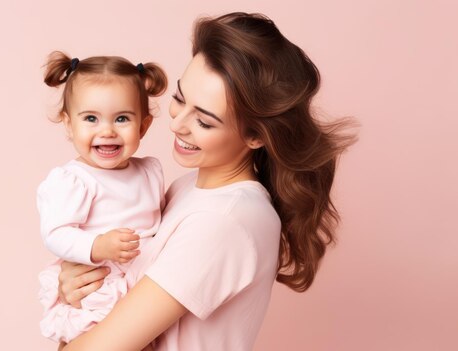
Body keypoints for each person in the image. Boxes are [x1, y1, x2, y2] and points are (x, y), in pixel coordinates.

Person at [55, 12, 357, 351]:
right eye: (180, 99)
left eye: (205, 121)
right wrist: (74, 284)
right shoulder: (188, 189)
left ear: (256, 134)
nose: (177, 125)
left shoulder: (223, 221)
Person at [36, 51, 168, 344]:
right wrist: (98, 245)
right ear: (69, 125)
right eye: (91, 119)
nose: (107, 131)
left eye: (121, 118)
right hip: (98, 284)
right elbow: (55, 233)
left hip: (142, 288)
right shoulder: (75, 180)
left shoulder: (149, 172)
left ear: (143, 126)